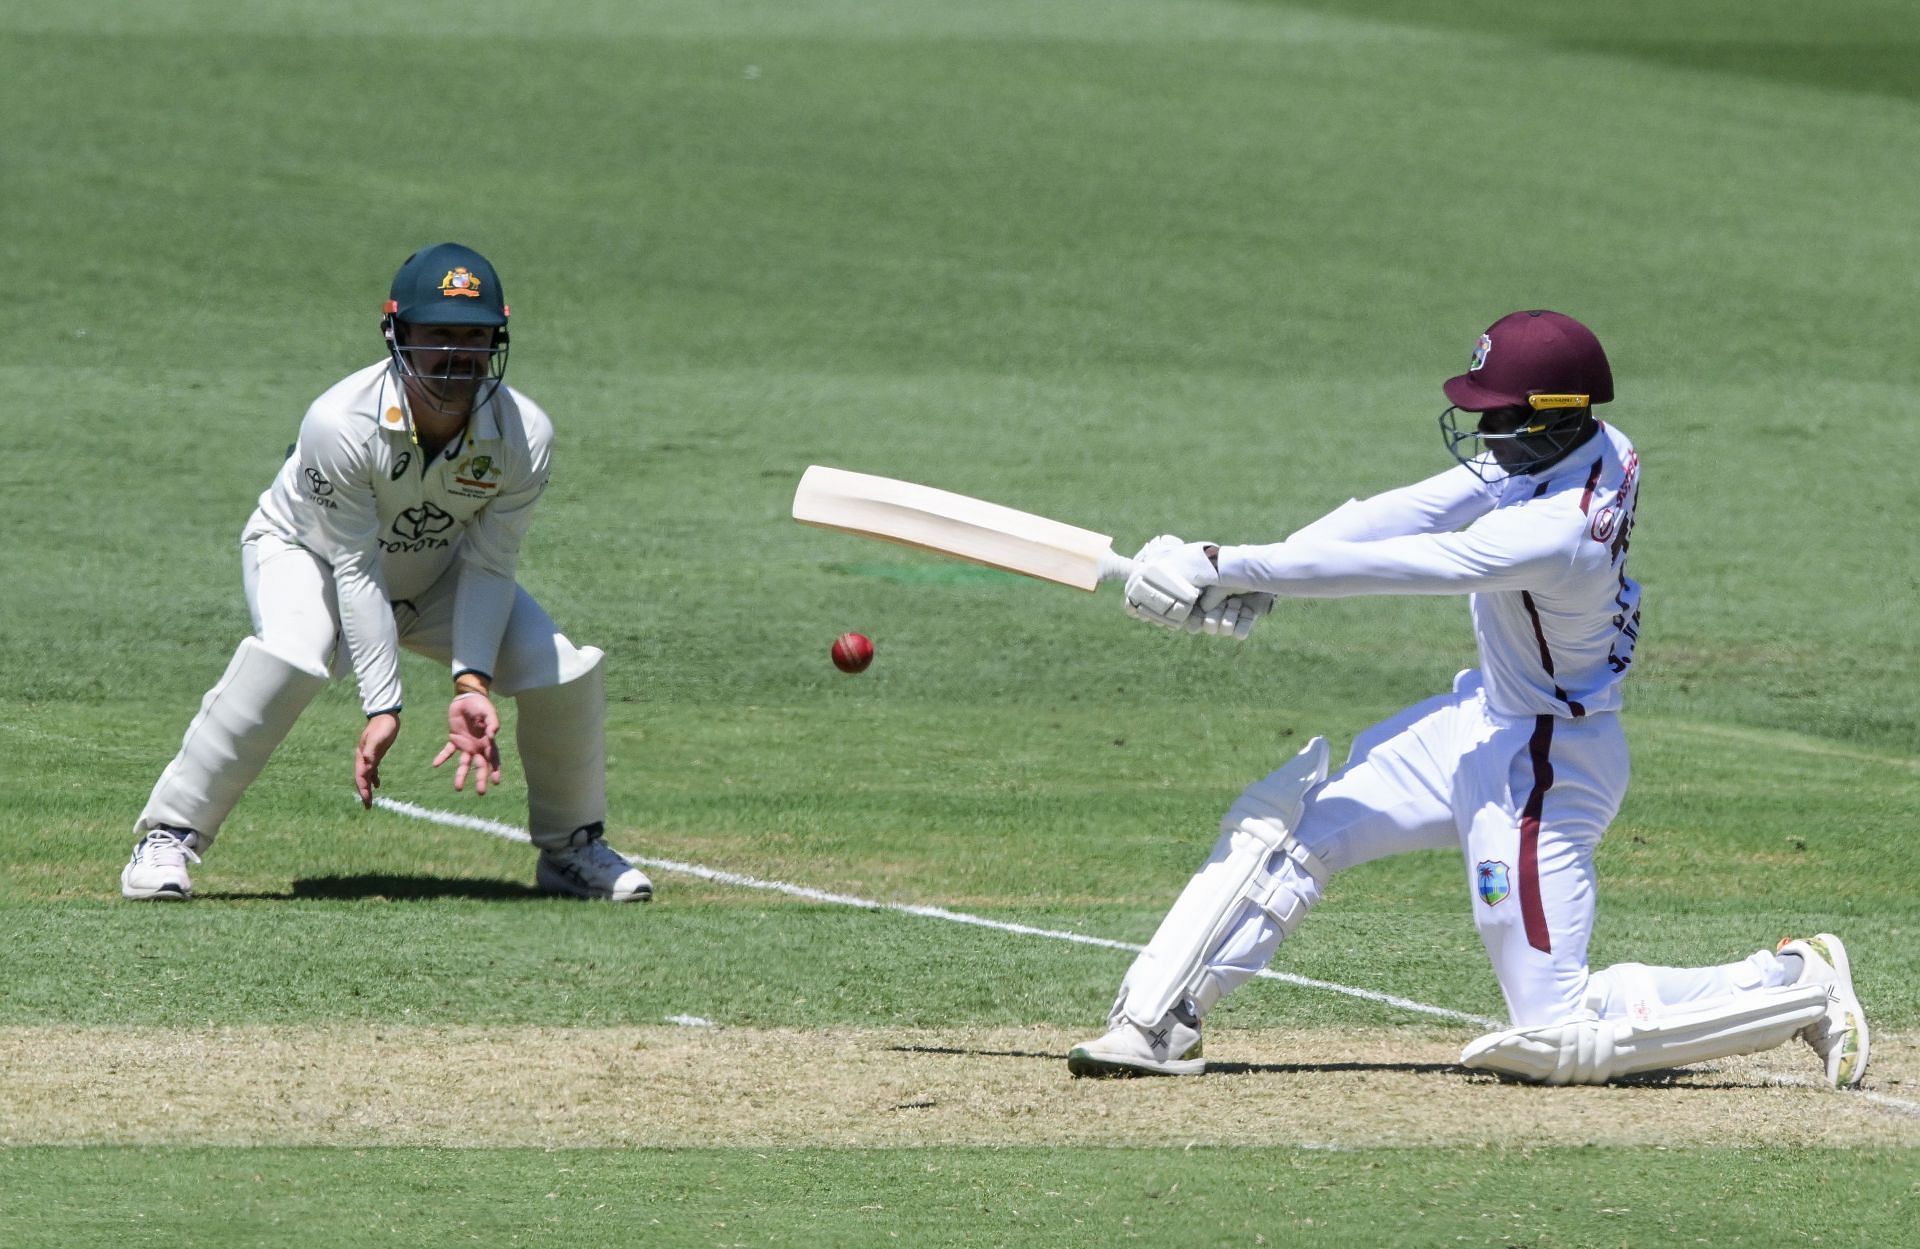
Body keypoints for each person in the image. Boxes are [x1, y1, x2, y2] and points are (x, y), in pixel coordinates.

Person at [1067, 310, 1868, 1088]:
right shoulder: (1581, 446)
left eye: (1501, 416)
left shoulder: (1559, 528)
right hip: (1480, 721)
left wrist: (1221, 564)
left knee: (1553, 1025)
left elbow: (1416, 563)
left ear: (1555, 416)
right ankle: (1160, 1024)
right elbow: (1405, 509)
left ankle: (1795, 982)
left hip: (1544, 768)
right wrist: (1252, 570)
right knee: (1296, 830)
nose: (1486, 433)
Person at [121, 243, 652, 904]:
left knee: (563, 669)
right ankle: (168, 836)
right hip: (305, 554)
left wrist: (471, 681)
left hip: (436, 573)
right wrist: (383, 704)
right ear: (397, 334)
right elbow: (355, 564)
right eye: (439, 335)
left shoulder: (524, 433)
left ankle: (572, 848)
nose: (459, 356)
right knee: (292, 652)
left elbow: (490, 564)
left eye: (475, 336)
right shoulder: (340, 422)